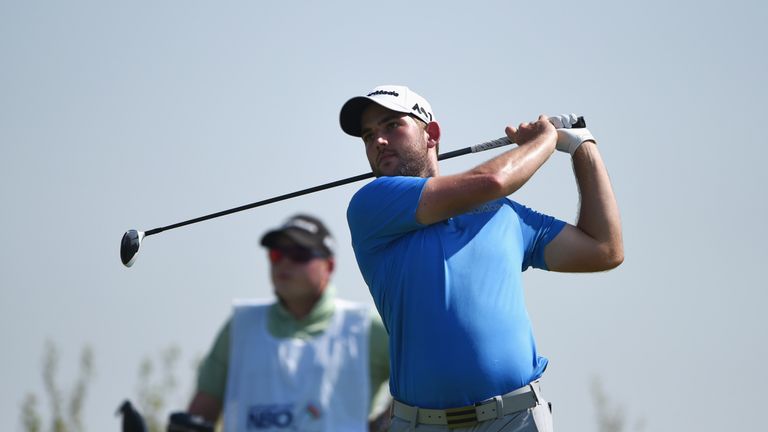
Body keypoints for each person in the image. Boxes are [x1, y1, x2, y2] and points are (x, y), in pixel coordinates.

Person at [339, 85, 623, 431]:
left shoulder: (503, 215)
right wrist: (546, 140)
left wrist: (581, 146)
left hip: (516, 420)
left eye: (391, 126)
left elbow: (604, 249)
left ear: (432, 134)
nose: (378, 141)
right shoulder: (371, 205)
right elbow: (492, 179)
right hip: (419, 424)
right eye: (369, 136)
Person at [187, 214, 391, 432]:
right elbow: (200, 412)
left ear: (329, 266)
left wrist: (383, 423)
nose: (284, 261)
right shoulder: (240, 325)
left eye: (299, 254)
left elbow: (428, 376)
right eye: (276, 254)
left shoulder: (365, 326)